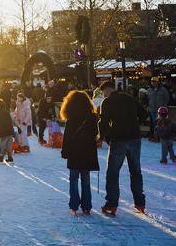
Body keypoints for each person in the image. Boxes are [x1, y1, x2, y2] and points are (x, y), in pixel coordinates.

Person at [99, 80, 147, 217]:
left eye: (103, 93)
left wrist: (105, 137)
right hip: (134, 138)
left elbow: (103, 123)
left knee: (113, 173)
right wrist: (134, 124)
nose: (103, 95)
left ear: (107, 90)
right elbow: (144, 114)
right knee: (136, 171)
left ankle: (112, 204)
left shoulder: (107, 102)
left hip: (118, 140)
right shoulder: (129, 98)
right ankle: (140, 203)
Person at [60, 91, 100, 216]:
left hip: (74, 151)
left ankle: (74, 206)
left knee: (73, 179)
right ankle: (87, 206)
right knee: (85, 179)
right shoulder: (92, 117)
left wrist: (65, 152)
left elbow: (67, 137)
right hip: (87, 151)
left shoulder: (71, 118)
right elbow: (95, 134)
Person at [0, 98, 15, 164]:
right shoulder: (7, 112)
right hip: (10, 131)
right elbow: (12, 121)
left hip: (2, 132)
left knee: (2, 145)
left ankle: (1, 157)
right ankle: (10, 157)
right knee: (9, 145)